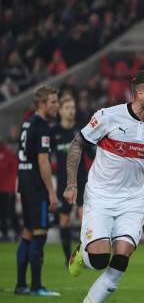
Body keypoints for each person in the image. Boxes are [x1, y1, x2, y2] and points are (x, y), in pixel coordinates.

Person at [64, 71, 144, 303]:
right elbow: (77, 145)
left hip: (132, 201)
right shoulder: (108, 116)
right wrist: (72, 184)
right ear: (140, 94)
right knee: (99, 260)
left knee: (121, 258)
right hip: (100, 197)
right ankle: (81, 255)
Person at [15, 86, 60, 296]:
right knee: (40, 232)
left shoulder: (27, 123)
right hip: (36, 186)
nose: (56, 106)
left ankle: (21, 285)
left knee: (27, 232)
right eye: (53, 102)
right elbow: (43, 161)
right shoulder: (42, 127)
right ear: (42, 104)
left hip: (24, 182)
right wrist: (51, 192)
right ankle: (36, 286)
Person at [52, 95, 92, 265]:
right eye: (67, 108)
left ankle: (83, 254)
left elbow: (91, 154)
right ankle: (68, 258)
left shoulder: (80, 132)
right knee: (64, 220)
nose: (71, 111)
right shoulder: (54, 133)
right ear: (60, 111)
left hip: (81, 180)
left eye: (73, 108)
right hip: (63, 182)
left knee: (84, 216)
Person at [0, 137, 19, 241]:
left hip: (7, 189)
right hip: (2, 189)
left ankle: (17, 231)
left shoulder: (8, 153)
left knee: (10, 212)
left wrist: (11, 186)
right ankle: (4, 233)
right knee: (2, 213)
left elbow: (14, 169)